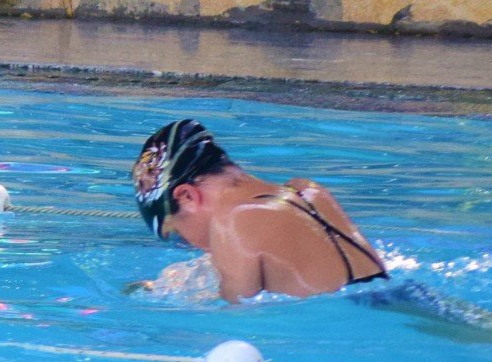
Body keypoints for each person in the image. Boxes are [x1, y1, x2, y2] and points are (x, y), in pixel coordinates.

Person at [132, 119, 387, 302]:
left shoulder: (232, 220)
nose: (194, 246)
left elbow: (233, 329)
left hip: (362, 327)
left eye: (177, 234)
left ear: (187, 196)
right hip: (404, 302)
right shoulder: (307, 191)